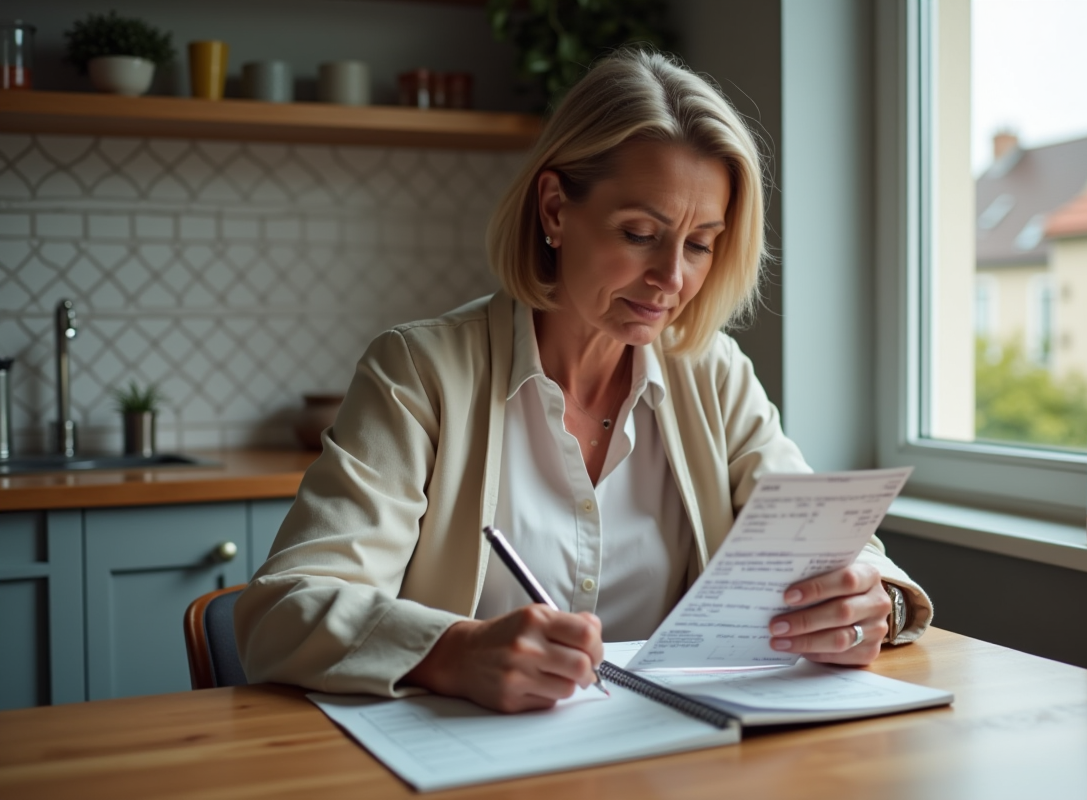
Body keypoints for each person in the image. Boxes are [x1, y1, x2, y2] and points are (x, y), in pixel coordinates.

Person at [234, 49, 932, 714]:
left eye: (698, 244)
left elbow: (830, 546)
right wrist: (453, 651)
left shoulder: (714, 375)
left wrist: (877, 602)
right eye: (639, 233)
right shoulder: (418, 373)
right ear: (555, 211)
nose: (673, 278)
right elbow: (284, 608)